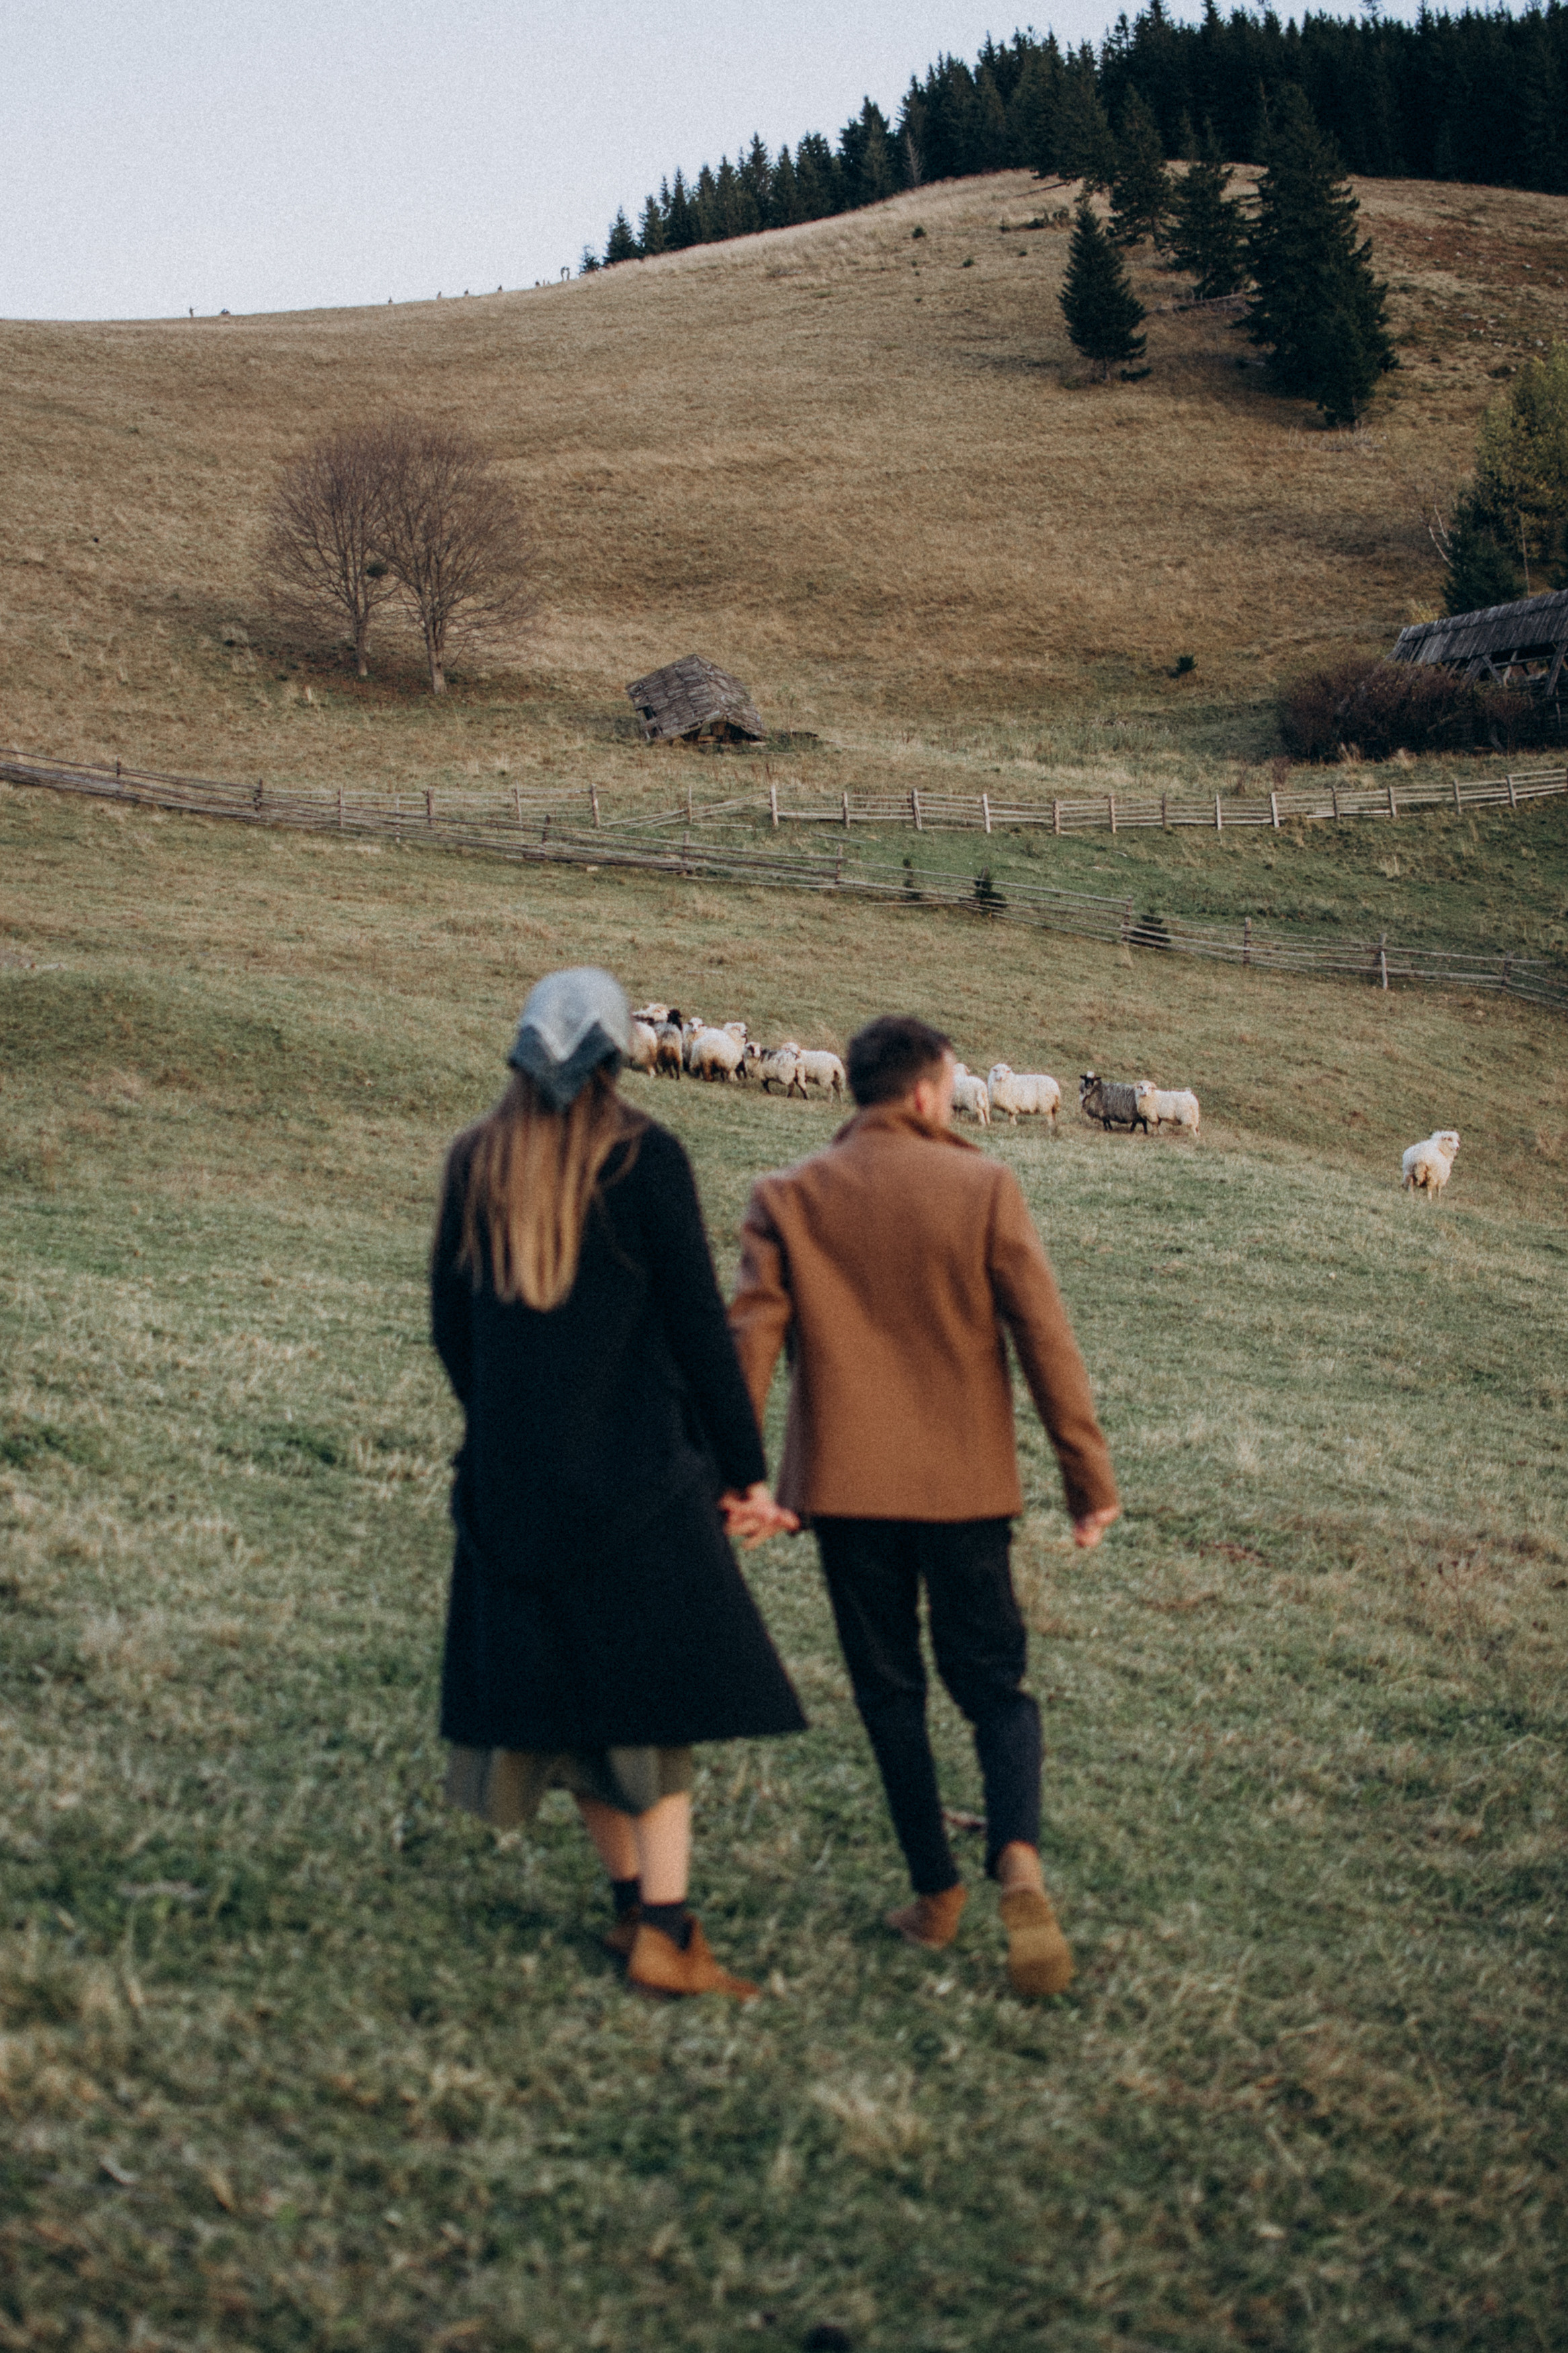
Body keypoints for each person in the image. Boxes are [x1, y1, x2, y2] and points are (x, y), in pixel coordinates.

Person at [431, 967, 803, 2001]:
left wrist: (508, 1427)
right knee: (652, 1713)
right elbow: (695, 1327)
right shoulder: (644, 1160)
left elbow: (449, 1330)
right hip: (637, 1483)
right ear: (615, 1056)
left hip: (510, 1489)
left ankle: (631, 1912)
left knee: (576, 1710)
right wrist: (744, 1471)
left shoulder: (475, 1161)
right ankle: (667, 1934)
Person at [728, 1014, 1119, 1998]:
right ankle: (1017, 1858)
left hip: (847, 1497)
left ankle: (935, 1892)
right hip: (967, 1491)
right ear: (923, 1092)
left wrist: (746, 1484)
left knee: (889, 1693)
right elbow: (1046, 1341)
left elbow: (748, 1349)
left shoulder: (787, 1197)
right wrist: (1087, 1482)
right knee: (994, 1685)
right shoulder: (983, 1185)